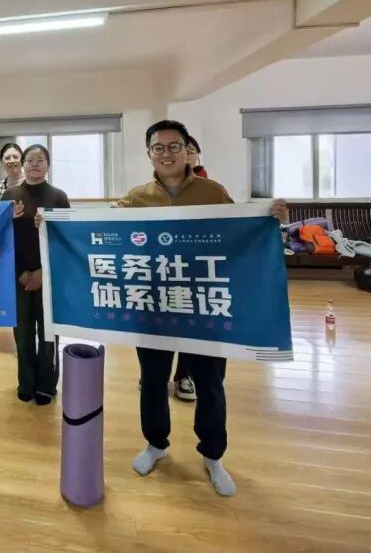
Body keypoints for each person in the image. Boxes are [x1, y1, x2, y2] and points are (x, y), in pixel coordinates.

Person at [117, 119, 287, 497]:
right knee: (153, 380)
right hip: (154, 303)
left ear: (188, 151)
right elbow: (99, 227)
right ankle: (156, 444)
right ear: (149, 153)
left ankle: (212, 455)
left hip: (203, 304)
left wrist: (268, 215)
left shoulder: (213, 191)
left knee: (209, 382)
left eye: (174, 146)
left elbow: (240, 229)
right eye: (158, 148)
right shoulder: (136, 197)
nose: (166, 154)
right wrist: (52, 223)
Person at [4, 144, 69, 404]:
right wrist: (21, 272)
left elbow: (65, 239)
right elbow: (2, 237)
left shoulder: (58, 196)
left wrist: (43, 272)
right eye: (29, 160)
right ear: (23, 164)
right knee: (22, 334)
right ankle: (26, 382)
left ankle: (46, 385)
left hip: (49, 276)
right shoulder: (10, 195)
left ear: (48, 164)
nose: (34, 164)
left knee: (48, 333)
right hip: (17, 275)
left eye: (39, 159)